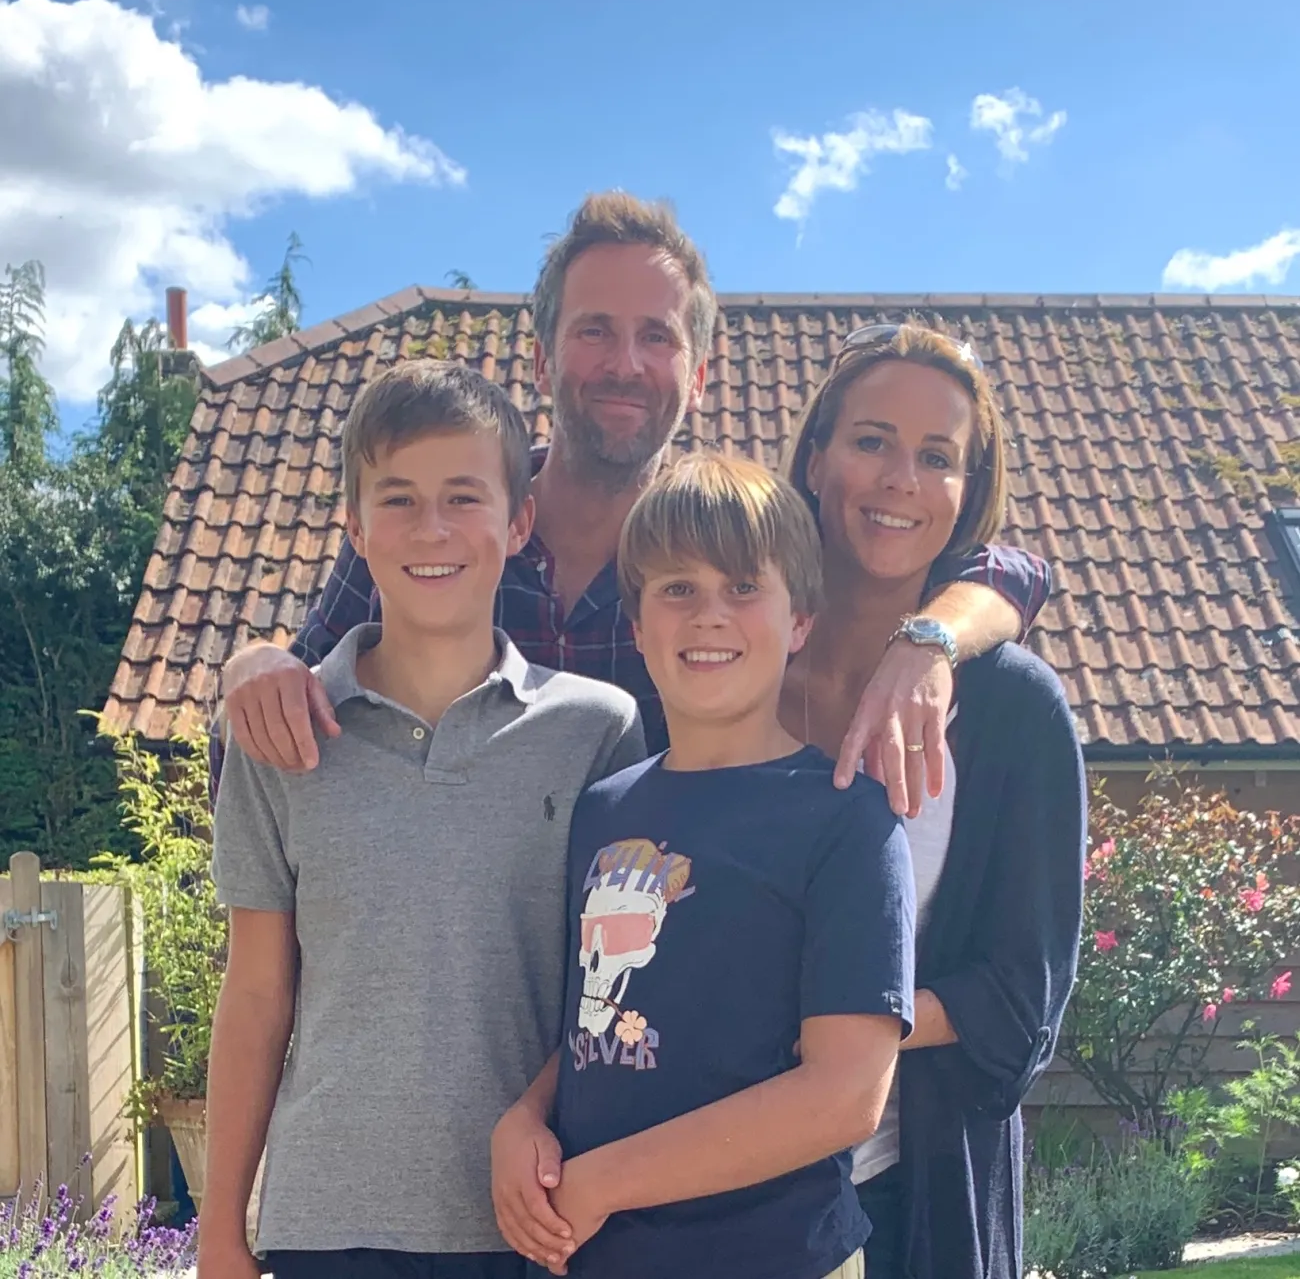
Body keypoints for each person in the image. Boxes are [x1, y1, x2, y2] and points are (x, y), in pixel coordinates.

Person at [214, 191, 1052, 819]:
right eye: (594, 331)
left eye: (657, 336)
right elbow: (309, 691)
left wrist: (929, 643)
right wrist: (253, 664)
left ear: (699, 373)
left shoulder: (728, 547)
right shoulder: (445, 527)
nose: (626, 363)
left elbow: (1003, 563)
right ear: (542, 361)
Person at [196, 363, 645, 1279]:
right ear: (354, 527)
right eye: (397, 499)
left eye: (463, 497)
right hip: (327, 1225)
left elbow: (614, 985)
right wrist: (217, 1233)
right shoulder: (276, 736)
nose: (431, 529)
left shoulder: (599, 730)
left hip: (537, 1224)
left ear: (518, 524)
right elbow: (254, 998)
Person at [492, 454, 916, 1279]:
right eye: (677, 589)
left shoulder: (847, 824)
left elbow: (844, 1096)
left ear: (800, 621)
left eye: (743, 588)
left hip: (777, 1257)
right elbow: (601, 1018)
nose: (708, 615)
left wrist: (605, 1181)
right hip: (598, 1255)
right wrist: (526, 1114)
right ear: (640, 624)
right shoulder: (604, 811)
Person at [779, 322, 1087, 1279]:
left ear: (967, 493)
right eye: (872, 440)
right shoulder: (730, 668)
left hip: (918, 1201)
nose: (900, 478)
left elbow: (1019, 1002)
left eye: (936, 456)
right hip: (721, 1192)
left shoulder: (1016, 711)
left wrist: (838, 1027)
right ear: (818, 455)